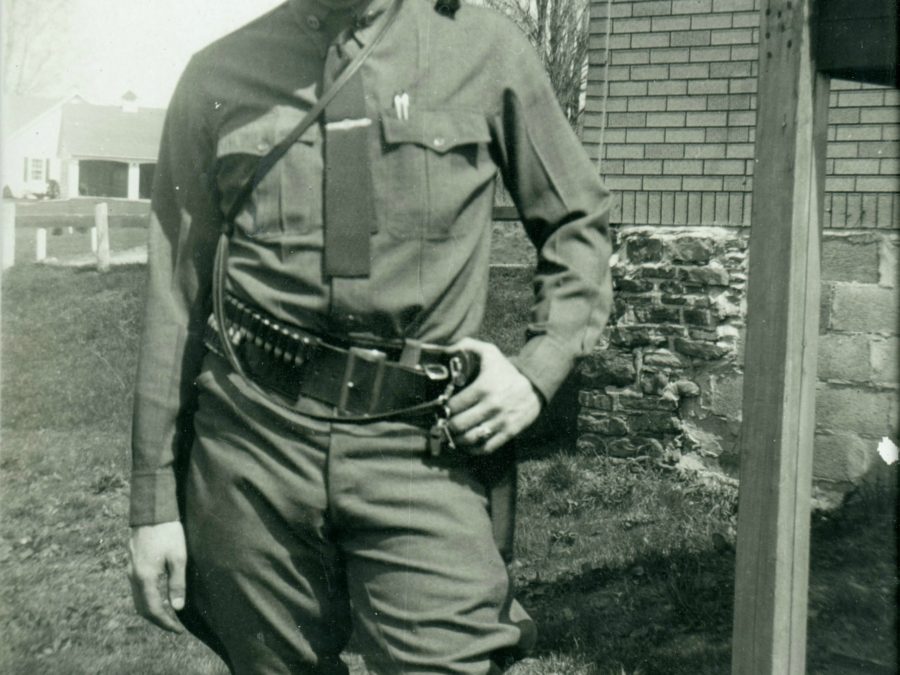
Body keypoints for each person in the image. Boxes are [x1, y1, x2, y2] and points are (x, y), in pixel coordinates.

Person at [127, 0, 613, 672]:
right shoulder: (217, 75)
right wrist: (152, 505)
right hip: (253, 444)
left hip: (420, 442)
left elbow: (578, 221)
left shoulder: (487, 50)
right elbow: (174, 296)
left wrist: (537, 369)